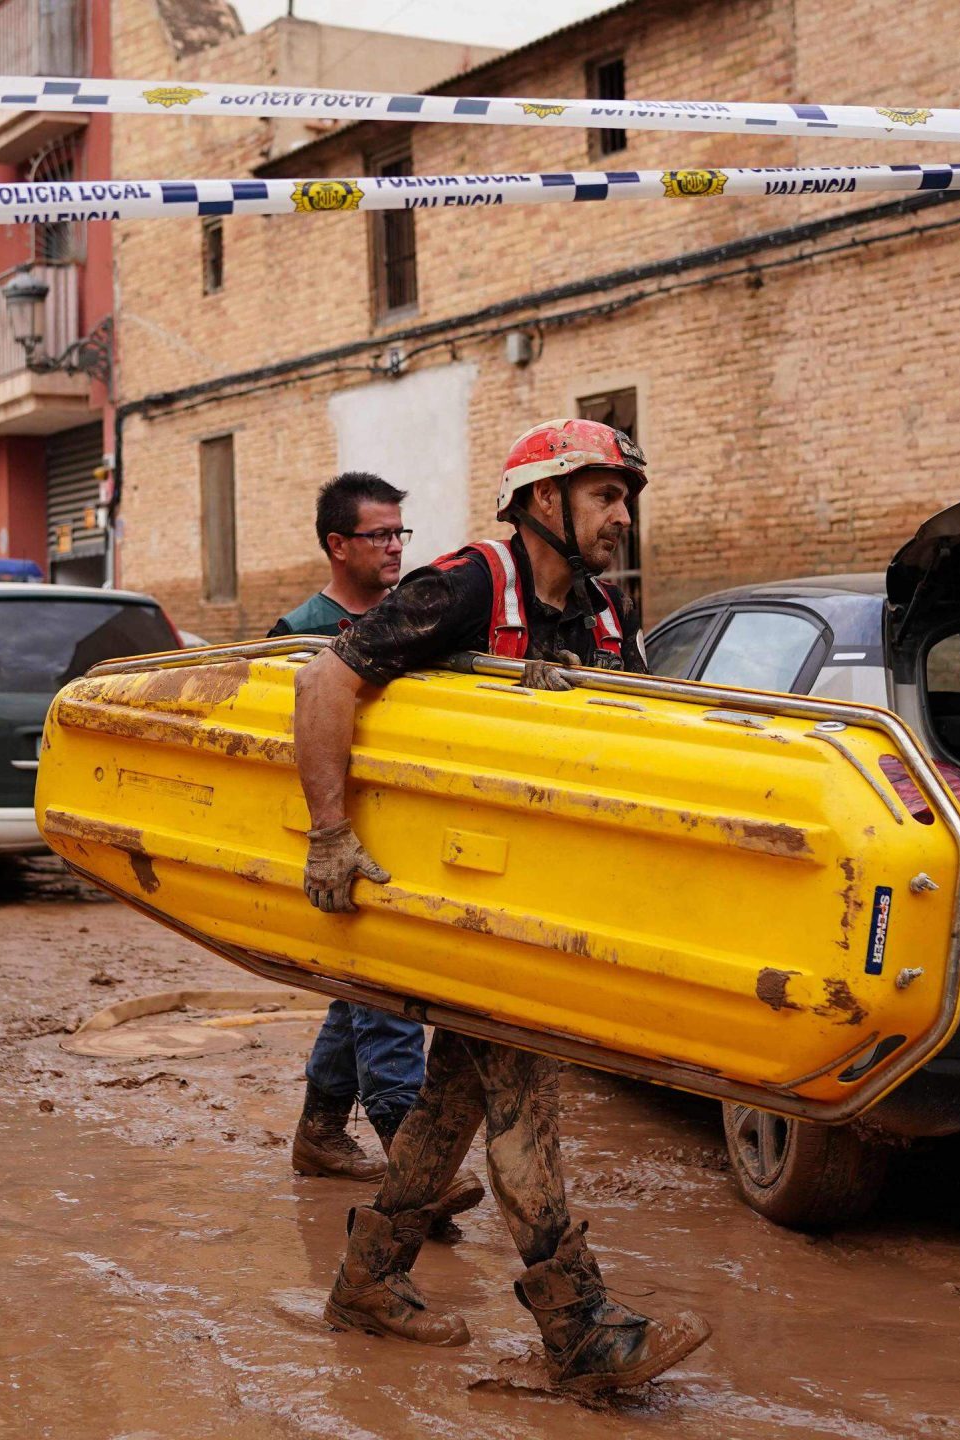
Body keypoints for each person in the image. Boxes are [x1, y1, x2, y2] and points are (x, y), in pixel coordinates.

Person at [293, 418, 708, 1395]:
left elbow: (646, 742)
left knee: (455, 1097)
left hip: (535, 897)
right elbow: (325, 680)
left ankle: (365, 1280)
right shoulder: (466, 586)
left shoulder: (604, 615)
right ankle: (581, 1330)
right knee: (522, 1093)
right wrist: (328, 833)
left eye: (625, 498)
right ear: (543, 500)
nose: (621, 516)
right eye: (604, 495)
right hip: (451, 894)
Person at [269, 472, 440, 1188]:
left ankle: (320, 1132)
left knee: (361, 984)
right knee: (384, 983)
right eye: (380, 535)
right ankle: (413, 1163)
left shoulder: (415, 616)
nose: (396, 547)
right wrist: (323, 834)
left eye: (401, 532)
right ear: (338, 545)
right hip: (337, 834)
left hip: (408, 829)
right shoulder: (298, 633)